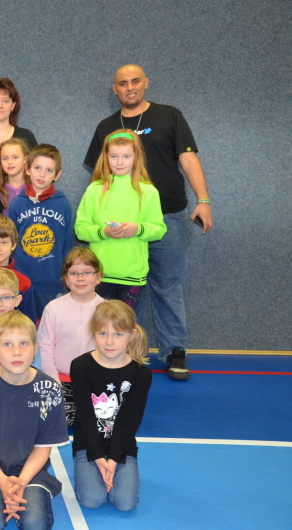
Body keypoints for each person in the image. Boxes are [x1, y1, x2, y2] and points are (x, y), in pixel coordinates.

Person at [85, 63, 213, 381]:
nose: (129, 87)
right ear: (115, 89)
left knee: (168, 288)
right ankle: (127, 353)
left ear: (146, 83)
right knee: (129, 291)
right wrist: (98, 220)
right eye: (123, 83)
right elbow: (97, 175)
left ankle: (174, 352)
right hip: (120, 232)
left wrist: (204, 200)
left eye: (135, 81)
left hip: (167, 217)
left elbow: (188, 159)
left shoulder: (169, 116)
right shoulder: (106, 126)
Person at [0, 311, 69, 529]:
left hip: (29, 471)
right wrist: (2, 482)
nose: (17, 351)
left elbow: (42, 447)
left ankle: (12, 496)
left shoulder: (48, 389)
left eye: (24, 343)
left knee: (36, 523)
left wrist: (21, 483)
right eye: (7, 344)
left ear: (35, 348)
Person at [71, 300, 152, 511]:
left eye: (118, 334)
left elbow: (129, 421)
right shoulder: (80, 366)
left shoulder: (141, 374)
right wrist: (99, 458)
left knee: (125, 503)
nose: (109, 341)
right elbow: (85, 417)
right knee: (91, 500)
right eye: (102, 333)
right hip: (88, 444)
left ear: (132, 335)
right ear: (93, 333)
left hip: (122, 446)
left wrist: (113, 460)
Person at [76, 130, 167, 309]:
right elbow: (80, 229)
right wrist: (104, 232)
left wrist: (138, 229)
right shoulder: (94, 189)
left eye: (126, 156)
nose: (119, 162)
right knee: (99, 322)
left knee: (125, 323)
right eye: (114, 156)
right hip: (99, 274)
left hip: (132, 275)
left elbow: (159, 229)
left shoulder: (148, 191)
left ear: (136, 157)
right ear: (106, 157)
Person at [38, 248, 105, 425]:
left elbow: (113, 348)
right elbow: (44, 347)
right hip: (62, 380)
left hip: (96, 380)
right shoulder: (53, 308)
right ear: (66, 279)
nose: (80, 278)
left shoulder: (106, 310)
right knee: (60, 419)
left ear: (97, 277)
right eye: (74, 273)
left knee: (100, 422)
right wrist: (52, 379)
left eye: (87, 272)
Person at [8, 143, 74, 319]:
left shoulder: (63, 204)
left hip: (52, 282)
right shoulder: (17, 204)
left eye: (49, 170)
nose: (42, 174)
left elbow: (67, 244)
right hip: (22, 281)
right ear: (27, 169)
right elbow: (10, 243)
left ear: (57, 175)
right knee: (22, 328)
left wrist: (66, 276)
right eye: (37, 168)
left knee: (53, 329)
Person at [0, 137, 29, 218]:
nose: (9, 162)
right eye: (5, 158)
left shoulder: (36, 188)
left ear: (25, 159)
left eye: (15, 157)